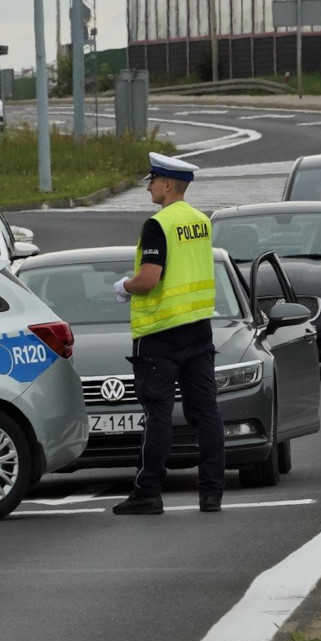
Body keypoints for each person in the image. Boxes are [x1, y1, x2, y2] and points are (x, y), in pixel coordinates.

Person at [111, 152, 225, 515]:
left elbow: (149, 279)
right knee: (206, 412)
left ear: (167, 185)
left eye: (152, 181)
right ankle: (211, 493)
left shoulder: (157, 224)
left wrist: (123, 287)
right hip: (199, 329)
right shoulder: (200, 221)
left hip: (160, 333)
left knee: (158, 413)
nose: (148, 187)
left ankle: (148, 493)